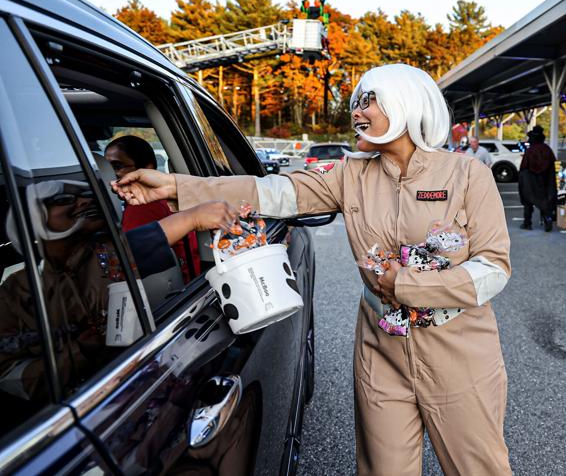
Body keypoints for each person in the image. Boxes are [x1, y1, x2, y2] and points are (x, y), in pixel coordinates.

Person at [113, 64, 512, 476]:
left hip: (460, 354)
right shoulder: (351, 174)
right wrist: (177, 187)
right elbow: (273, 192)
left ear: (405, 105)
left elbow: (494, 268)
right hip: (382, 354)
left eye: (368, 101)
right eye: (356, 102)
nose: (356, 111)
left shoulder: (469, 175)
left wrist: (407, 285)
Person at [0, 179, 237, 405]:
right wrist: (77, 353)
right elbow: (10, 376)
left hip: (137, 384)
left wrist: (196, 215)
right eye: (62, 199)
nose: (83, 203)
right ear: (32, 219)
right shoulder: (15, 293)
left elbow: (155, 236)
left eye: (84, 196)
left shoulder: (107, 253)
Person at [105, 136, 200, 283]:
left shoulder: (142, 207)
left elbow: (124, 262)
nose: (109, 175)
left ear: (146, 170)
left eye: (117, 167)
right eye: (104, 168)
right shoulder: (162, 201)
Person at [518, 125, 557, 232]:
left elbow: (524, 168)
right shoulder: (547, 150)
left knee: (528, 200)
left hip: (530, 182)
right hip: (544, 182)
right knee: (545, 201)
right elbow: (551, 169)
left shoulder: (530, 151)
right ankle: (547, 220)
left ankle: (527, 223)